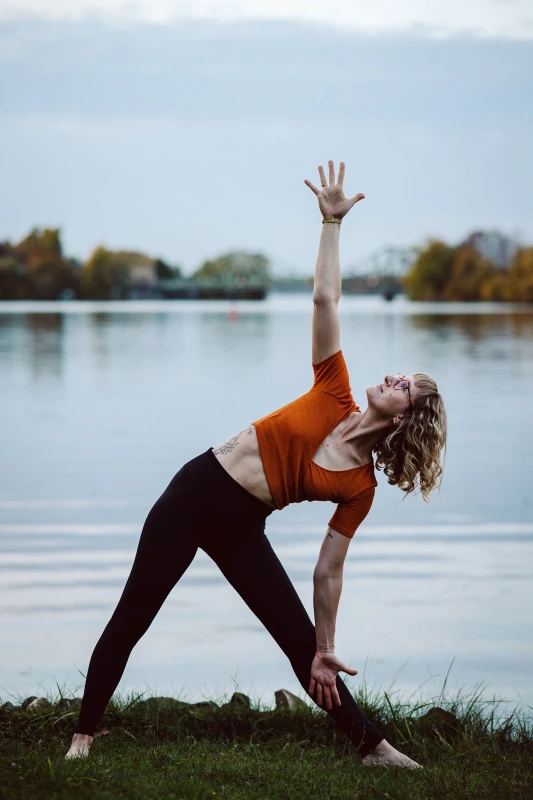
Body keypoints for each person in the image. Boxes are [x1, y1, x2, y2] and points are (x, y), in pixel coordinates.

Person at [66, 161, 446, 767]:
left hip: (242, 523)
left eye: (408, 386)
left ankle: (372, 746)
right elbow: (325, 297)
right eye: (402, 373)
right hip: (195, 493)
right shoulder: (335, 387)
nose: (396, 376)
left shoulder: (359, 486)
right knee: (133, 614)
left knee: (303, 648)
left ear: (403, 418)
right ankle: (84, 733)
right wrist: (330, 223)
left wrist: (327, 643)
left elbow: (328, 573)